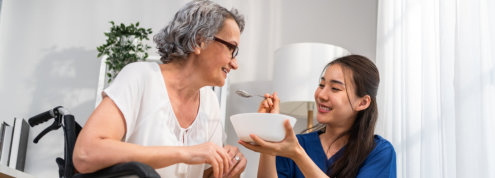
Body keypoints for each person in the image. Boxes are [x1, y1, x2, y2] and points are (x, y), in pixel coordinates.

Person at [73, 1, 246, 177]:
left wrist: (229, 168)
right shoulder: (140, 77)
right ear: (199, 41)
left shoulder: (209, 102)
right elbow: (85, 154)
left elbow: (205, 174)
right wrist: (185, 153)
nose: (235, 63)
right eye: (231, 48)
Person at [240, 55, 396, 178]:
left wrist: (298, 155)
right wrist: (270, 135)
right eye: (321, 85)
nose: (321, 94)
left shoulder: (379, 152)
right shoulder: (296, 144)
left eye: (335, 88)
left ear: (362, 102)